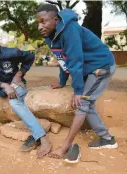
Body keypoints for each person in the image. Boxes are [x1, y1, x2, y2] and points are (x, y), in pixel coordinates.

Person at [36, 4, 118, 162]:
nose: (40, 26)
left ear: (56, 19)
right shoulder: (50, 36)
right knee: (87, 103)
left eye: (44, 21)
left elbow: (75, 61)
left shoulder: (70, 29)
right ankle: (106, 138)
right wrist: (62, 81)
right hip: (89, 67)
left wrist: (78, 91)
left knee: (82, 103)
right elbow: (63, 59)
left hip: (100, 67)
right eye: (38, 22)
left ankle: (67, 145)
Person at [0, 27, 52, 158]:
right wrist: (3, 85)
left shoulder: (11, 52)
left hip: (17, 84)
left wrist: (19, 74)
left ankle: (41, 137)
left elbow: (30, 56)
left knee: (14, 102)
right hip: (1, 86)